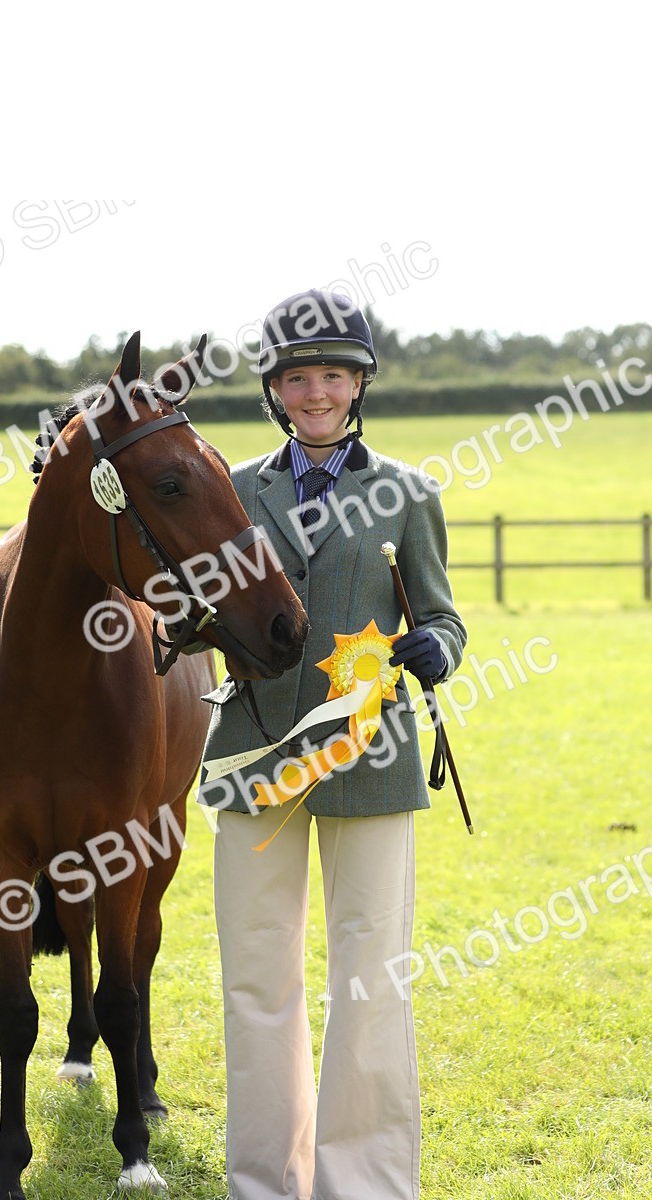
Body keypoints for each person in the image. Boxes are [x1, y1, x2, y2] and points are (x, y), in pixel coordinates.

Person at [197, 288, 467, 1200]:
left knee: (371, 978)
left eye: (334, 376)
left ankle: (366, 1183)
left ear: (358, 384)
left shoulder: (408, 492)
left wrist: (438, 647)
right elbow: (202, 618)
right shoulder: (229, 491)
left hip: (371, 760)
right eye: (299, 377)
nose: (317, 392)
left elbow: (441, 615)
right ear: (275, 390)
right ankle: (265, 1182)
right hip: (256, 756)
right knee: (256, 977)